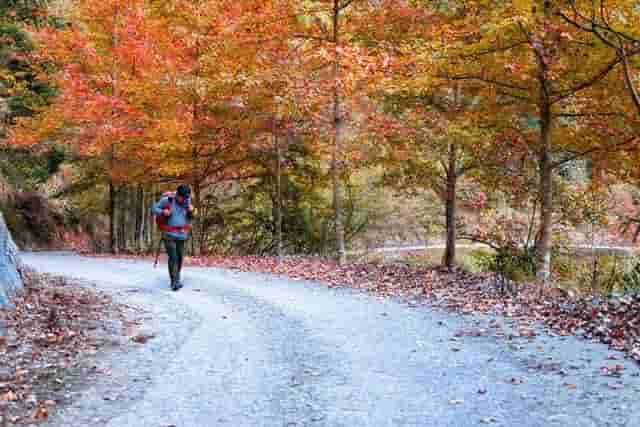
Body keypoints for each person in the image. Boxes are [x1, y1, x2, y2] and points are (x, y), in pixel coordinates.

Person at [151, 184, 195, 291]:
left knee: (180, 257)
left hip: (182, 234)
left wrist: (191, 210)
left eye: (186, 198)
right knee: (173, 257)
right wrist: (162, 212)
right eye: (182, 198)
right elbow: (153, 208)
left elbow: (191, 216)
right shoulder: (167, 200)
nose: (184, 200)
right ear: (178, 195)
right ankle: (174, 282)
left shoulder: (187, 201)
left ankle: (177, 278)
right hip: (168, 234)